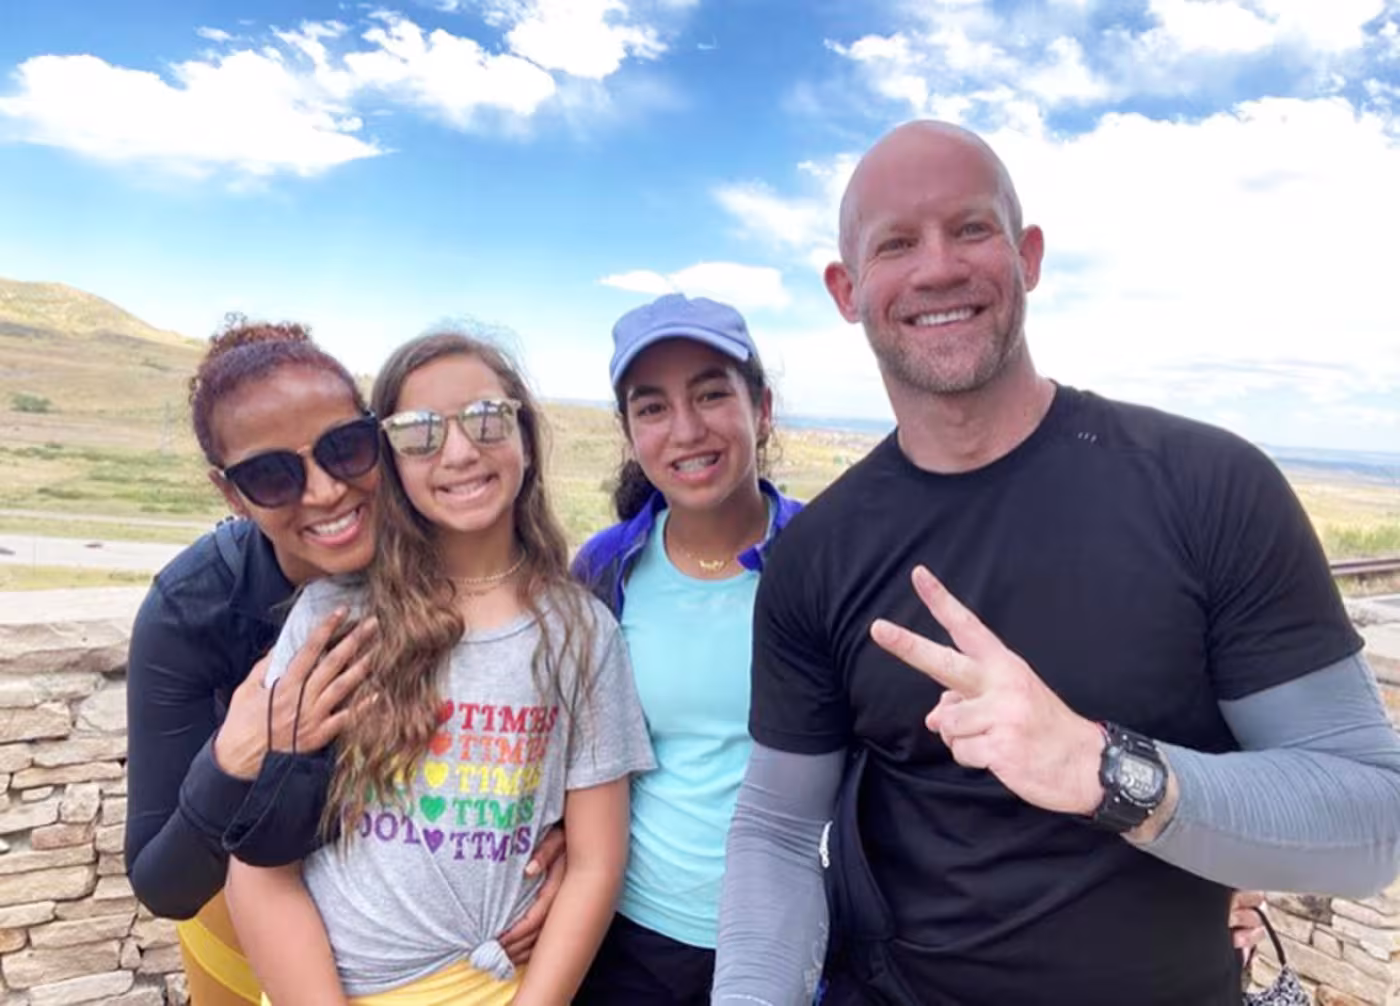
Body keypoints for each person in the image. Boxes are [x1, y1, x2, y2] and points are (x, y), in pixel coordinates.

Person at [711, 121, 1400, 1006]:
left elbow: (1369, 820)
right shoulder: (818, 555)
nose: (937, 269)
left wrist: (1101, 768)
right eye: (896, 243)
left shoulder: (1207, 488)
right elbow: (775, 828)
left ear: (1027, 256)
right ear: (847, 289)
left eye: (971, 228)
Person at [124, 320, 562, 1006]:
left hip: (436, 962)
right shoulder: (192, 608)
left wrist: (549, 837)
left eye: (344, 449)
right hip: (241, 933)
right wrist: (236, 756)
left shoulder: (458, 544)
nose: (325, 491)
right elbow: (164, 882)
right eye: (271, 476)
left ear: (378, 437)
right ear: (230, 493)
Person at [225, 331, 655, 1005]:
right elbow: (262, 866)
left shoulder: (579, 632)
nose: (458, 451)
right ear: (389, 461)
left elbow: (597, 862)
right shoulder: (332, 619)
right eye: (418, 433)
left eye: (487, 418)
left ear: (525, 437)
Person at [570, 294, 803, 1004]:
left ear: (760, 409)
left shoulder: (823, 563)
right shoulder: (605, 570)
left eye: (711, 394)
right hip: (632, 937)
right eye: (652, 407)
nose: (686, 430)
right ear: (629, 431)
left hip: (790, 937)